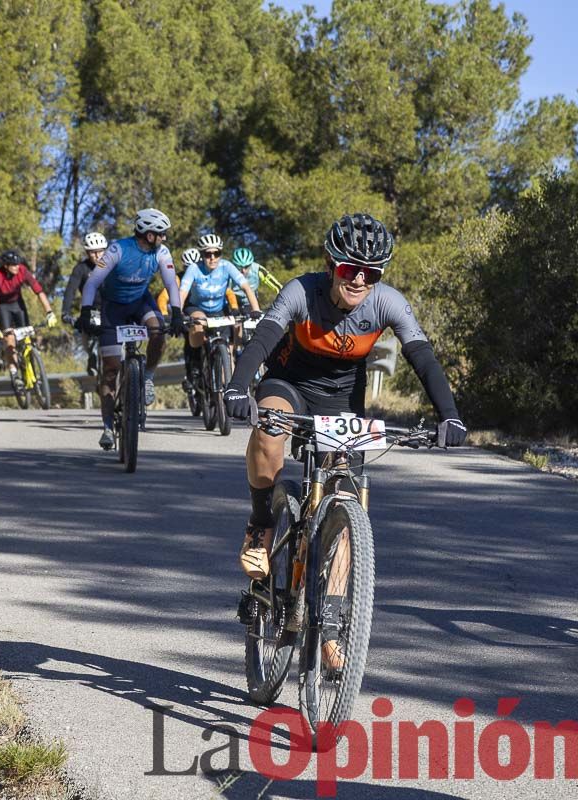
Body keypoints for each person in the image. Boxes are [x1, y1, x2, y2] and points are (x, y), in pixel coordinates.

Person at [221, 213, 467, 670]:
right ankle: (260, 522)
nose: (358, 279)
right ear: (331, 264)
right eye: (349, 268)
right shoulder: (301, 291)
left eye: (371, 272)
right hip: (289, 383)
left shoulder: (387, 303)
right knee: (269, 431)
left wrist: (449, 416)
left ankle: (331, 625)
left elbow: (423, 357)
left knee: (348, 496)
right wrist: (237, 387)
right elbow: (263, 340)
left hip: (341, 402)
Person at [77, 208, 184, 450]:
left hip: (139, 301)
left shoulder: (161, 252)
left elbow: (170, 282)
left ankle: (146, 377)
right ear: (148, 235)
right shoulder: (118, 250)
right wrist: (84, 311)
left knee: (158, 333)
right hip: (112, 307)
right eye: (161, 234)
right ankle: (106, 426)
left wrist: (176, 312)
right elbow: (93, 281)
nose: (165, 238)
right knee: (111, 370)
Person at [179, 234, 261, 391]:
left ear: (220, 254)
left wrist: (255, 309)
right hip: (197, 308)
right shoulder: (194, 269)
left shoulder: (226, 266)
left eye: (216, 253)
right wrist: (177, 314)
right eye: (207, 254)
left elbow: (246, 287)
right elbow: (182, 293)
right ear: (202, 255)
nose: (212, 258)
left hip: (219, 309)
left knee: (232, 338)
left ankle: (225, 385)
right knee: (198, 323)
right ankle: (197, 364)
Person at [0, 250, 56, 377]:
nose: (17, 267)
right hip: (3, 307)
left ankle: (31, 363)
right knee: (9, 338)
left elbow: (39, 291)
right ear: (6, 266)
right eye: (13, 265)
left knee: (27, 335)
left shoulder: (23, 271)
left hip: (18, 304)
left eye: (18, 264)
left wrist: (49, 312)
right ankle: (13, 371)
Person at [63, 232, 109, 375]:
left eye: (100, 251)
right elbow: (70, 290)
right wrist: (65, 312)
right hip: (93, 309)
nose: (97, 256)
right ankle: (93, 355)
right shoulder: (81, 269)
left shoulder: (112, 265)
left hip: (112, 307)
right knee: (92, 330)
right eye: (92, 253)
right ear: (87, 252)